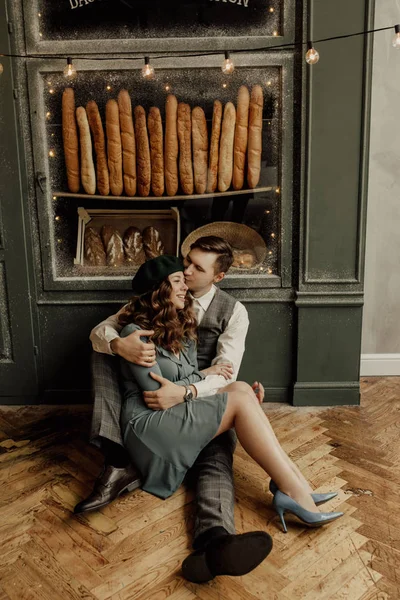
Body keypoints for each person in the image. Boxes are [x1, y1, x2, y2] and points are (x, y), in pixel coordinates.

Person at [76, 236, 277, 583]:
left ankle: (214, 541)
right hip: (157, 407)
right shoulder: (150, 302)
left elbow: (226, 370)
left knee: (216, 459)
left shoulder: (234, 312)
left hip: (198, 397)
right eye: (186, 263)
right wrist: (118, 346)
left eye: (197, 268)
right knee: (103, 353)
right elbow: (99, 332)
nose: (186, 271)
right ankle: (116, 456)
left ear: (219, 276)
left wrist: (189, 392)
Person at [116, 256, 343, 549]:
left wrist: (201, 380)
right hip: (149, 425)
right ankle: (295, 492)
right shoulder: (135, 335)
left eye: (185, 281)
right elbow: (158, 394)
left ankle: (296, 486)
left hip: (174, 410)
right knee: (239, 399)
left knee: (240, 389)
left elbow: (183, 382)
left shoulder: (180, 326)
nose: (185, 287)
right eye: (177, 282)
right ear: (158, 292)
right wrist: (203, 377)